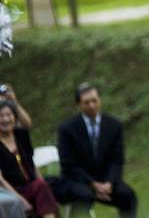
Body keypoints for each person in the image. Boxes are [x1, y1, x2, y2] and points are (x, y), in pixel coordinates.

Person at [55, 83, 137, 217]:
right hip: (76, 180)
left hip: (105, 180)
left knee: (128, 196)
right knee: (84, 196)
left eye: (94, 101)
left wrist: (109, 183)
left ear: (100, 100)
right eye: (86, 102)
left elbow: (117, 159)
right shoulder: (67, 129)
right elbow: (68, 164)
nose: (92, 106)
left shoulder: (114, 125)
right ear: (79, 105)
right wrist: (92, 184)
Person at [0, 100, 58, 218]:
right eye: (0, 116)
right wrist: (19, 199)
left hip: (31, 186)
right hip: (10, 192)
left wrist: (13, 99)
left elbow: (32, 164)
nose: (5, 119)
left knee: (43, 187)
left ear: (15, 117)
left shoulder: (21, 135)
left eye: (9, 115)